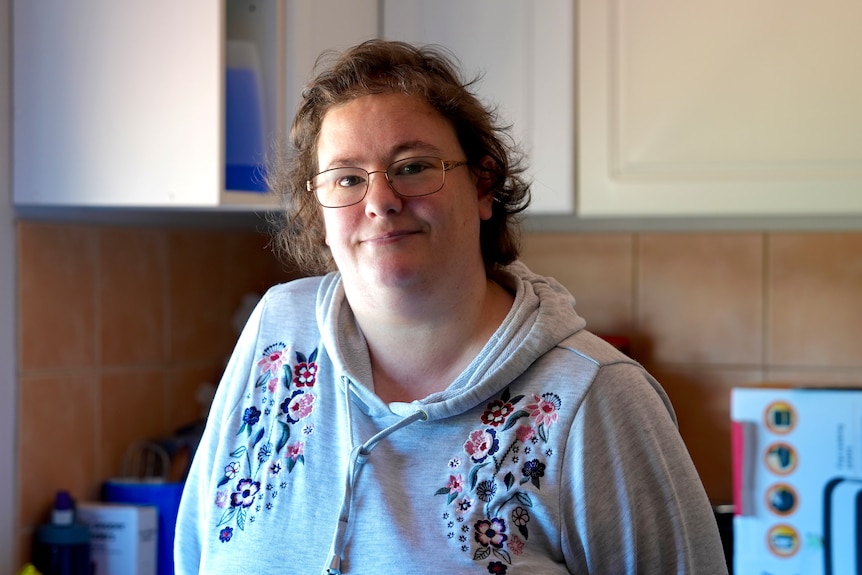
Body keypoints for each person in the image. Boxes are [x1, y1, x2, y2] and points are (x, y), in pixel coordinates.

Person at [174, 39, 728, 574]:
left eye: (413, 166)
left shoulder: (596, 396)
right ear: (319, 211)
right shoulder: (277, 330)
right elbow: (195, 555)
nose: (381, 202)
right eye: (347, 178)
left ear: (483, 185)